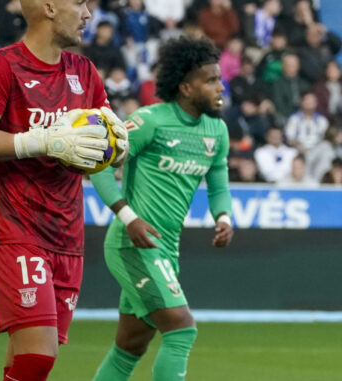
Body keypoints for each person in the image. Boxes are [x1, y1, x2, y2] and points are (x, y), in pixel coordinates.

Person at [0, 1, 128, 380]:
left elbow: (103, 139)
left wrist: (115, 148)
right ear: (49, 7)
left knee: (25, 362)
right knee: (38, 357)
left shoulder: (85, 72)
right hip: (16, 231)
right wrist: (42, 141)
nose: (87, 14)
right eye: (79, 3)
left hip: (67, 236)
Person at [89, 36, 234, 381]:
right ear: (185, 87)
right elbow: (101, 165)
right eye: (211, 80)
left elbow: (218, 183)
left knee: (129, 348)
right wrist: (129, 217)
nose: (220, 86)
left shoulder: (217, 130)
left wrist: (224, 216)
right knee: (182, 329)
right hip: (132, 243)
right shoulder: (150, 121)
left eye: (219, 78)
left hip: (166, 248)